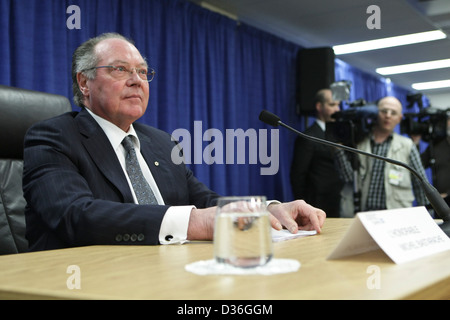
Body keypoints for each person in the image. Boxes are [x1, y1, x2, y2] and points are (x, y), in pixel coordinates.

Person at [22, 33, 325, 251]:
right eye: (120, 69)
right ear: (84, 82)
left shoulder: (161, 143)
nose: (136, 80)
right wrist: (194, 223)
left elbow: (205, 202)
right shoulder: (54, 137)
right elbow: (77, 216)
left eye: (142, 71)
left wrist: (265, 211)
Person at [334, 96, 429, 213]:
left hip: (396, 215)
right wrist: (338, 148)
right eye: (384, 111)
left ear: (399, 118)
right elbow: (348, 178)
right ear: (375, 114)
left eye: (393, 113)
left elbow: (421, 184)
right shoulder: (359, 143)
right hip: (365, 215)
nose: (388, 115)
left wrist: (428, 216)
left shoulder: (407, 145)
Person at [290, 89, 343, 217]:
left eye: (338, 105)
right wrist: (303, 207)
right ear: (319, 106)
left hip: (338, 203)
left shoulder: (340, 134)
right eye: (332, 105)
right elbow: (298, 176)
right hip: (316, 204)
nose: (337, 109)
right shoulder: (308, 136)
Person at [416, 113, 450, 205]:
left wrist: (448, 194)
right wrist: (416, 143)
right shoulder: (437, 145)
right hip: (441, 203)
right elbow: (418, 165)